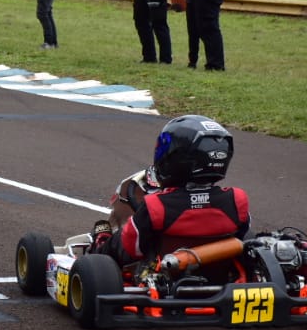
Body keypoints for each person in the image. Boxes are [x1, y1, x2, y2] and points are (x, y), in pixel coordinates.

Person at [94, 115, 249, 269]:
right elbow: (242, 238)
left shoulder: (157, 205)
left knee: (107, 247)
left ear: (176, 157)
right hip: (222, 278)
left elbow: (129, 249)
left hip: (166, 282)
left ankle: (99, 243)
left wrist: (104, 244)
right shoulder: (237, 200)